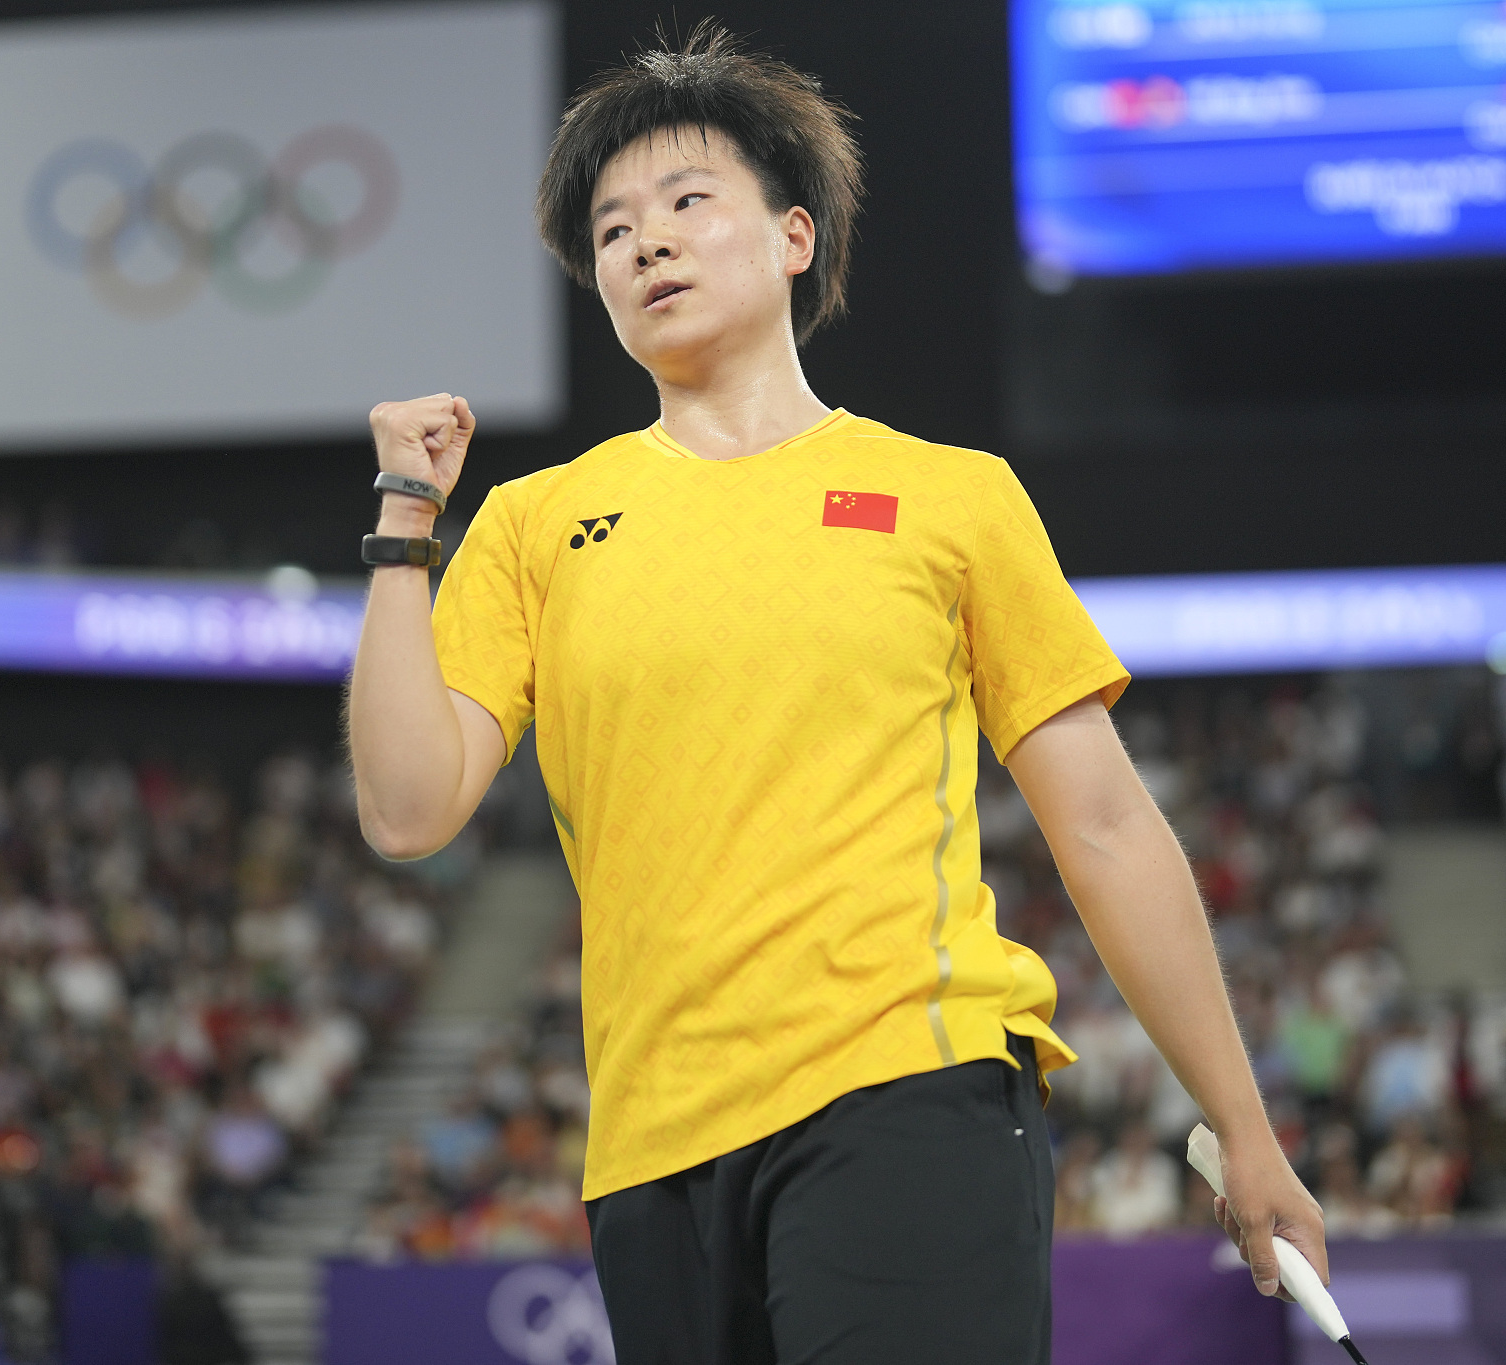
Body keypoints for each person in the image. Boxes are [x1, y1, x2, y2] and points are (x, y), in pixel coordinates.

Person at [344, 22, 1327, 1364]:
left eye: (689, 203)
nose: (647, 242)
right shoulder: (531, 526)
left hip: (906, 1089)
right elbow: (406, 808)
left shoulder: (952, 497)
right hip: (652, 1149)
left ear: (795, 238)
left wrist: (1248, 1133)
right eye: (616, 228)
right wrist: (408, 522)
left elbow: (1102, 825)